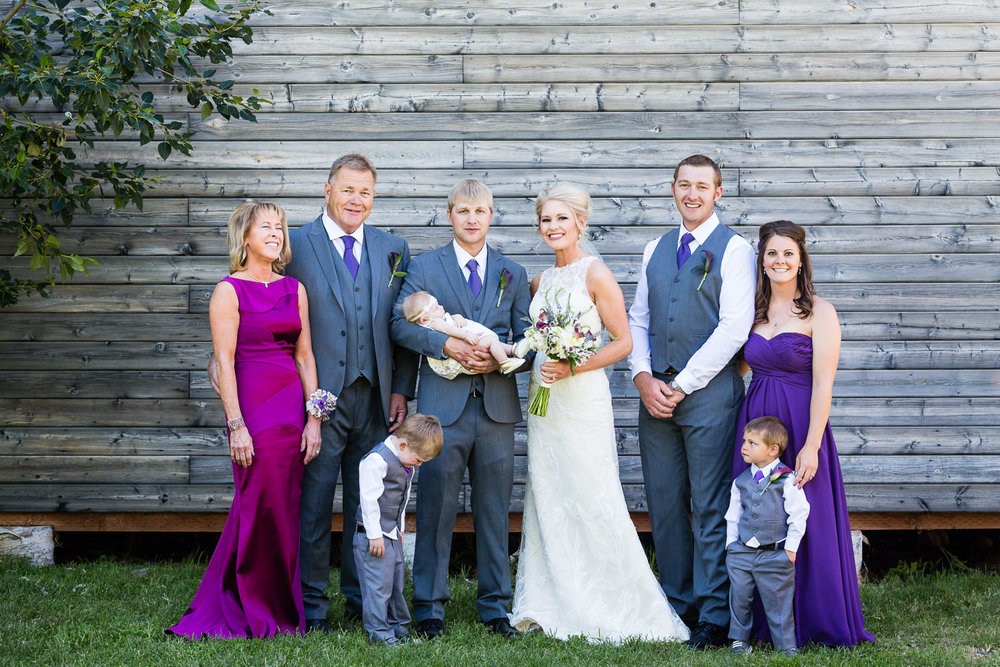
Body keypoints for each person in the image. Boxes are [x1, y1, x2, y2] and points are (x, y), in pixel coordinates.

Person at [508, 182, 689, 643]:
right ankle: (552, 599)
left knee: (591, 492)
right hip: (543, 401)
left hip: (581, 396)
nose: (553, 227)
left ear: (580, 224)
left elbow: (625, 342)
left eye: (561, 219)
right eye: (546, 220)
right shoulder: (539, 281)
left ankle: (613, 602)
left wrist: (571, 366)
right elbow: (533, 339)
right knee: (548, 492)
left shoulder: (596, 273)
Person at [168, 201, 322, 638]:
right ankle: (249, 605)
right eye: (266, 227)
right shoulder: (228, 291)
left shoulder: (295, 289)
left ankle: (280, 608)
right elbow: (224, 359)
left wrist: (315, 418)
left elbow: (304, 355)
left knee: (284, 507)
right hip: (253, 408)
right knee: (257, 504)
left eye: (280, 227)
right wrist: (236, 425)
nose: (276, 234)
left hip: (292, 407)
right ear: (246, 237)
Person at [390, 179, 530, 640]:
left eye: (481, 211)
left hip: (495, 408)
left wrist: (502, 356)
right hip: (440, 412)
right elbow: (398, 325)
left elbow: (529, 334)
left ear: (492, 215)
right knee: (435, 507)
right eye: (463, 210)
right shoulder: (424, 267)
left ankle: (494, 606)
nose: (472, 219)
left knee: (495, 509)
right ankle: (429, 606)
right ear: (449, 214)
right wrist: (446, 343)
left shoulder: (511, 271)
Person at [627, 154, 756, 649]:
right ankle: (675, 605)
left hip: (709, 396)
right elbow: (638, 318)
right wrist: (642, 376)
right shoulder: (655, 247)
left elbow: (734, 327)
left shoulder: (736, 250)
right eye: (684, 185)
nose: (692, 194)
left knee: (709, 504)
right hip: (654, 395)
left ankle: (714, 614)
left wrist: (683, 384)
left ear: (718, 193)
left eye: (703, 186)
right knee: (663, 503)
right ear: (673, 189)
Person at [286, 154, 418, 633]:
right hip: (318, 401)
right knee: (316, 504)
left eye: (364, 192)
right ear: (327, 190)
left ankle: (364, 600)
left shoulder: (393, 247)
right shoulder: (295, 244)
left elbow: (403, 326)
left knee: (370, 507)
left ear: (374, 196)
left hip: (377, 399)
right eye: (347, 190)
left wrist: (402, 388)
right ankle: (312, 607)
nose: (355, 200)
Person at [733, 220, 874, 647]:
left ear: (800, 260)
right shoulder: (750, 312)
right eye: (771, 253)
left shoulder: (820, 312)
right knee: (758, 515)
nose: (779, 260)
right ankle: (760, 621)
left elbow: (823, 384)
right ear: (762, 260)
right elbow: (739, 366)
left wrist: (811, 446)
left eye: (787, 254)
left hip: (800, 425)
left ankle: (816, 619)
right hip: (756, 422)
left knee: (805, 517)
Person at [354, 413, 444, 646]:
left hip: (392, 533)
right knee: (378, 586)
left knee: (395, 583)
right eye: (419, 460)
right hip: (373, 536)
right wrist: (374, 535)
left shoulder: (405, 461)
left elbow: (401, 501)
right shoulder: (376, 460)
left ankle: (398, 627)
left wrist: (400, 529)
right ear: (403, 444)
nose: (419, 465)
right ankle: (380, 633)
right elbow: (369, 501)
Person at [726, 416, 809, 657]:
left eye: (752, 443)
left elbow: (799, 513)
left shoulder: (787, 480)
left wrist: (791, 547)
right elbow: (733, 515)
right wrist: (731, 545)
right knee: (739, 598)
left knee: (779, 602)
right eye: (744, 441)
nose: (744, 446)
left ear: (773, 450)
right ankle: (739, 640)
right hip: (741, 552)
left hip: (775, 554)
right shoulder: (741, 481)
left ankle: (786, 645)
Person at [402, 290, 525, 376]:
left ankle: (514, 350)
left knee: (493, 342)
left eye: (438, 304)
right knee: (491, 341)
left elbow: (450, 321)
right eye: (436, 308)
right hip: (466, 350)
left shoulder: (438, 318)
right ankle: (505, 362)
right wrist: (466, 334)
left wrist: (457, 317)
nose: (441, 307)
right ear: (424, 320)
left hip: (470, 348)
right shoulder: (435, 323)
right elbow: (450, 330)